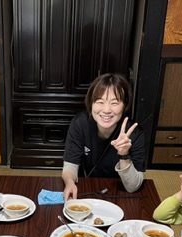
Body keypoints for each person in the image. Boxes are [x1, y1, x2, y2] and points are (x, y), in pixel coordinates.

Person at [62, 72, 145, 200]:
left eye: (114, 103)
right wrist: (69, 182)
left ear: (125, 105)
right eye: (100, 102)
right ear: (91, 103)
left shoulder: (134, 132)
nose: (106, 110)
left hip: (118, 191)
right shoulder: (80, 123)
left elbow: (132, 187)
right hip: (86, 187)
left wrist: (124, 155)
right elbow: (70, 164)